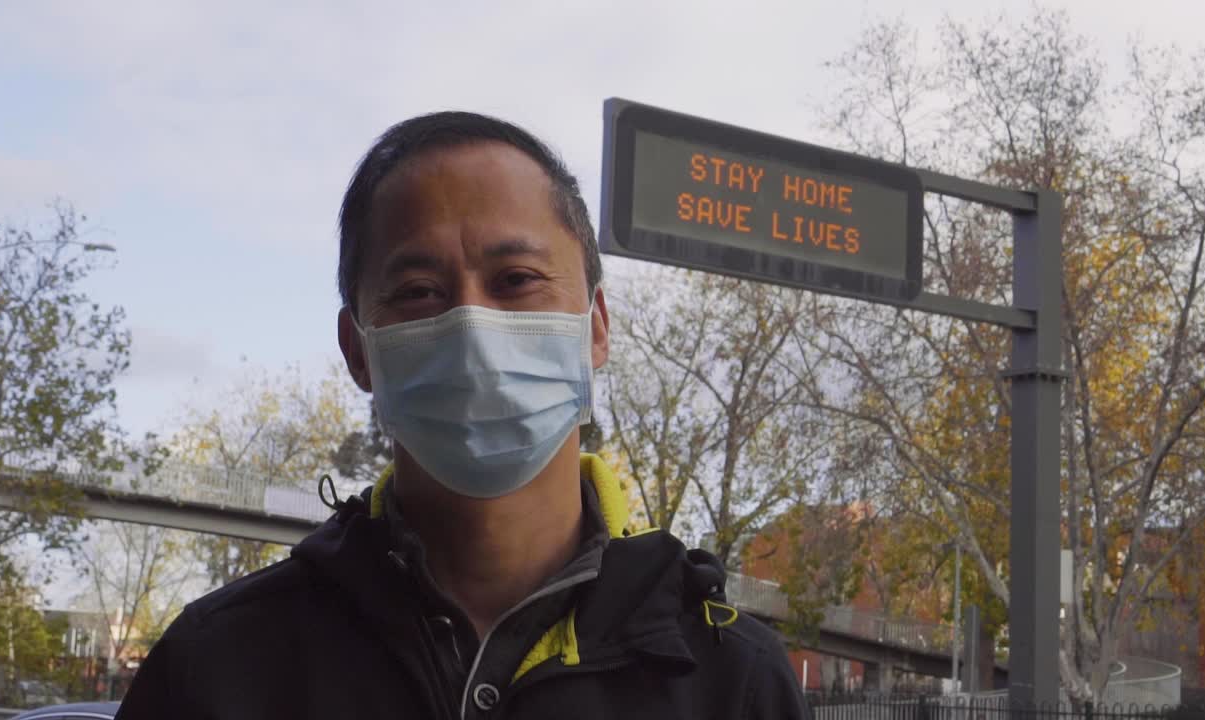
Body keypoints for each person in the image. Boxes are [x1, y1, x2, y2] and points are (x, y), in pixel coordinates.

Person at [116, 111, 808, 719]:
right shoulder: (217, 669)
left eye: (517, 281)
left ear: (595, 327)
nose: (472, 327)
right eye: (419, 291)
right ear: (358, 350)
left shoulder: (733, 681)